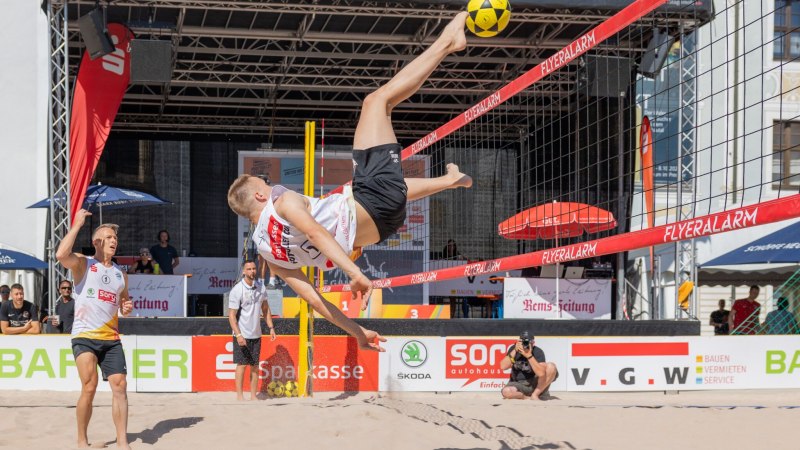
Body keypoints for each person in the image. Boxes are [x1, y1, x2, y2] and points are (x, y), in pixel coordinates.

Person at [226, 12, 472, 352]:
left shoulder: (268, 251)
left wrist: (356, 331)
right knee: (376, 102)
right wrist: (354, 272)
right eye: (263, 181)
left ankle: (449, 179)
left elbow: (314, 300)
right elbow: (315, 233)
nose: (269, 183)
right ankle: (448, 41)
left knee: (379, 136)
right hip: (372, 204)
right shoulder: (281, 202)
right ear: (257, 194)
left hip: (381, 219)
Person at [56, 209, 134, 450]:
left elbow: (124, 302)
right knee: (89, 386)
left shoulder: (121, 274)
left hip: (111, 338)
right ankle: (82, 441)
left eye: (115, 238)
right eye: (109, 237)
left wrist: (127, 307)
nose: (114, 241)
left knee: (120, 385)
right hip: (85, 336)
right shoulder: (83, 264)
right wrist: (78, 224)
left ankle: (122, 441)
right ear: (97, 242)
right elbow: (60, 254)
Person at [228, 260, 276, 400]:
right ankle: (239, 396)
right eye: (249, 269)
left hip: (256, 333)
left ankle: (253, 397)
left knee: (255, 366)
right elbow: (231, 315)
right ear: (244, 271)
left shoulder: (261, 287)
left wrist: (271, 327)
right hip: (242, 333)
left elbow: (266, 309)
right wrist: (238, 335)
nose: (252, 271)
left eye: (254, 268)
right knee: (242, 365)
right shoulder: (238, 289)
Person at [500, 331, 558, 400]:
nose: (525, 344)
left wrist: (529, 356)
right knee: (506, 392)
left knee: (551, 366)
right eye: (522, 341)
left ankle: (536, 394)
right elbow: (503, 367)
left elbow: (541, 373)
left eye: (527, 342)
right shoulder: (514, 349)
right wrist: (515, 350)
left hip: (535, 383)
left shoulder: (537, 351)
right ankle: (526, 397)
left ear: (533, 343)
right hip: (518, 383)